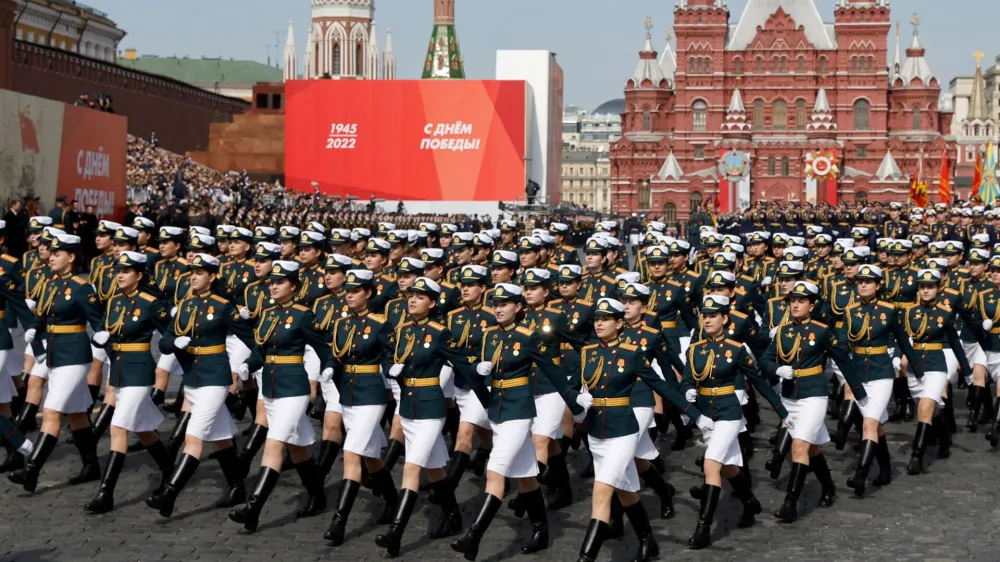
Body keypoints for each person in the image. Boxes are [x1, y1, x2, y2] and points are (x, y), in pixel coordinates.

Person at [450, 283, 584, 561]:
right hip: (498, 410)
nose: (498, 309)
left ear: (518, 307)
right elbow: (478, 375)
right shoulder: (488, 336)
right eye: (495, 304)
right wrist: (478, 373)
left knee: (495, 472)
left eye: (505, 304)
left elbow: (553, 371)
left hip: (519, 411)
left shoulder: (528, 337)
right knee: (525, 475)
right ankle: (540, 529)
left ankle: (473, 536)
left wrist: (576, 404)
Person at [573, 297, 707, 562]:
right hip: (598, 433)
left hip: (623, 432)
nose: (599, 323)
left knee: (601, 492)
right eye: (597, 319)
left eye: (606, 319)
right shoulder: (588, 352)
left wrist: (695, 415)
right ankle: (648, 541)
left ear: (619, 323)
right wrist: (576, 400)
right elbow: (572, 383)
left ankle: (585, 558)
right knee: (625, 490)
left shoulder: (632, 355)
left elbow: (663, 386)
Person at [144, 254, 257, 518]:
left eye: (199, 272)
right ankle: (237, 485)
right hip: (193, 377)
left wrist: (256, 361)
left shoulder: (223, 307)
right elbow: (164, 342)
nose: (193, 276)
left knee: (193, 436)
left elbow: (251, 338)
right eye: (191, 272)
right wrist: (175, 343)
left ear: (212, 276)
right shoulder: (184, 305)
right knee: (219, 437)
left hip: (215, 378)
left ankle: (169, 493)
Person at [227, 260, 331, 532]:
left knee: (274, 444)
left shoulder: (303, 315)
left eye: (280, 282)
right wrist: (251, 362)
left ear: (293, 286)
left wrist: (329, 370)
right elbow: (261, 348)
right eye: (271, 282)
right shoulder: (268, 313)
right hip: (270, 387)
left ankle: (254, 507)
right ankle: (318, 495)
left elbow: (323, 348)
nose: (273, 286)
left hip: (294, 388)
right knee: (297, 447)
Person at [680, 295, 789, 550]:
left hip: (729, 411)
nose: (707, 320)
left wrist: (781, 410)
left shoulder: (736, 349)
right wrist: (688, 392)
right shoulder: (695, 349)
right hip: (707, 414)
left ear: (724, 319)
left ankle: (703, 528)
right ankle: (750, 502)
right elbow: (687, 380)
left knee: (711, 463)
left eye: (713, 315)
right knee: (728, 466)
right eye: (704, 315)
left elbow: (759, 381)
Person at [374, 277, 471, 557]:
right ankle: (453, 514)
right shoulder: (402, 330)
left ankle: (396, 532)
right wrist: (391, 366)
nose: (412, 300)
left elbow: (463, 364)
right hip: (409, 406)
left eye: (420, 296)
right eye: (410, 295)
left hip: (430, 408)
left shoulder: (441, 333)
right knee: (434, 468)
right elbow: (389, 354)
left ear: (432, 302)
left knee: (411, 467)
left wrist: (488, 395)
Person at [9, 233, 103, 492]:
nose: (50, 256)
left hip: (73, 356)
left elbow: (98, 321)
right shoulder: (51, 284)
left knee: (51, 411)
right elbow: (41, 313)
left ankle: (32, 471)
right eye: (51, 253)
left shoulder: (82, 288)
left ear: (71, 257)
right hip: (53, 353)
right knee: (76, 414)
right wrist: (33, 329)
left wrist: (104, 335)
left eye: (57, 253)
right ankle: (91, 465)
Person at [83, 251, 174, 513]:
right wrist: (101, 337)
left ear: (140, 275)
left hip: (139, 370)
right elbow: (103, 327)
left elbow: (169, 331)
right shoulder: (114, 301)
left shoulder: (150, 303)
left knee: (118, 428)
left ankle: (105, 493)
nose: (120, 275)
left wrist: (173, 346)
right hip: (119, 372)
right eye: (117, 271)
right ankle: (170, 471)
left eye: (126, 271)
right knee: (144, 429)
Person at [759, 281, 857, 522]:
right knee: (812, 448)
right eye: (793, 300)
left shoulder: (822, 331)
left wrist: (858, 391)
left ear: (812, 305)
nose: (795, 304)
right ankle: (829, 487)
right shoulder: (783, 331)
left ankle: (790, 503)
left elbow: (842, 359)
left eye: (801, 301)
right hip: (790, 395)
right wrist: (777, 369)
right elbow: (765, 360)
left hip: (814, 394)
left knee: (799, 446)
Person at [321, 269, 398, 545]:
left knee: (352, 452)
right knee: (370, 456)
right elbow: (334, 353)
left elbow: (389, 357)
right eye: (348, 291)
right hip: (348, 394)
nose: (349, 295)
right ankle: (393, 500)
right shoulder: (341, 323)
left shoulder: (380, 324)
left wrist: (395, 377)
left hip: (371, 393)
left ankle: (339, 521)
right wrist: (329, 367)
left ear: (368, 293)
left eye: (355, 291)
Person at [842, 264, 923, 498]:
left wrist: (914, 366)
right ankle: (886, 469)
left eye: (868, 281)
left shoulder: (889, 311)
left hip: (880, 373)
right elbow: (842, 340)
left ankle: (861, 475)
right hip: (858, 371)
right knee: (874, 425)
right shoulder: (850, 311)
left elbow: (902, 340)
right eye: (860, 281)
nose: (863, 285)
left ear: (878, 285)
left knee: (869, 423)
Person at [900, 269, 971, 474]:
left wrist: (966, 370)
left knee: (925, 406)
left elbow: (955, 343)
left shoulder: (945, 312)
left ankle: (916, 457)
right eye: (922, 287)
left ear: (938, 288)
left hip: (936, 365)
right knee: (930, 409)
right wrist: (900, 358)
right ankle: (945, 437)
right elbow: (903, 339)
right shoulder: (909, 312)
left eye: (930, 287)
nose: (925, 291)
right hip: (915, 367)